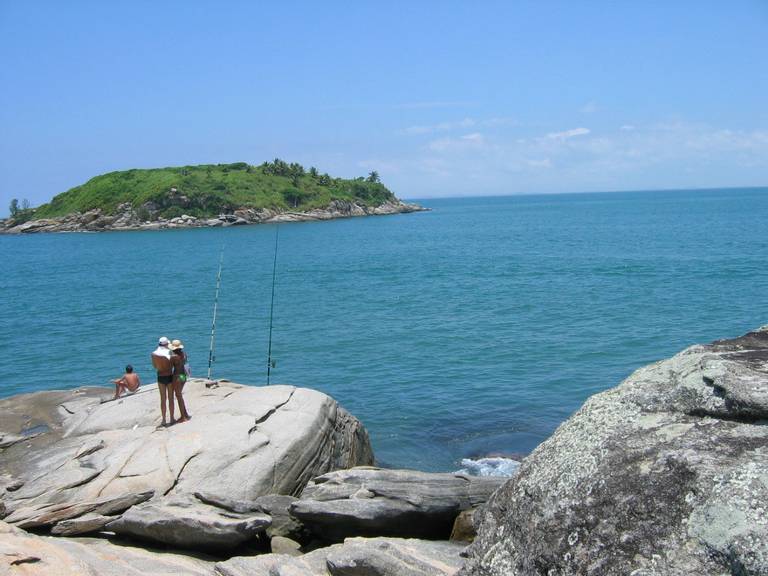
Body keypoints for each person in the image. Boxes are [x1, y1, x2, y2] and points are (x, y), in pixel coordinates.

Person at [151, 336, 175, 426]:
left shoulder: (153, 354)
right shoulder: (169, 352)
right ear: (166, 344)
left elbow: (154, 366)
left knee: (163, 399)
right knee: (171, 398)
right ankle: (172, 418)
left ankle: (164, 419)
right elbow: (173, 364)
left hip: (160, 376)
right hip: (169, 376)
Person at [170, 339, 191, 423]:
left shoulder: (174, 356)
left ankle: (183, 417)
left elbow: (170, 366)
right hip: (183, 376)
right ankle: (185, 414)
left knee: (178, 396)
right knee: (179, 395)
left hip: (177, 376)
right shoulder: (184, 354)